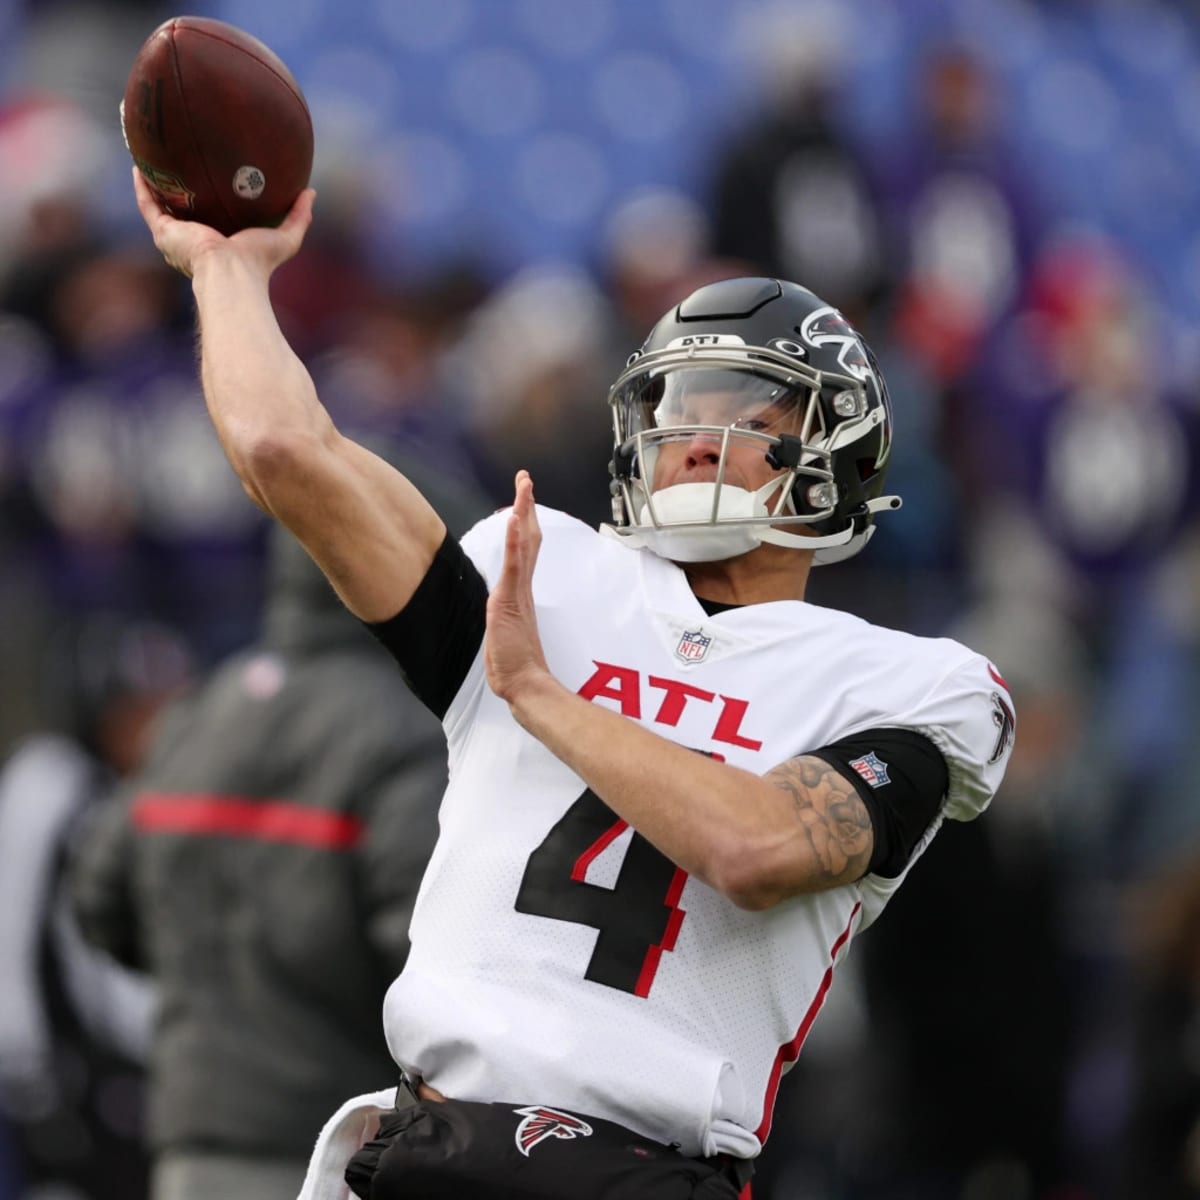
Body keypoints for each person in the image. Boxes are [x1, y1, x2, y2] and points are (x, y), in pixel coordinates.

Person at [129, 170, 1015, 1200]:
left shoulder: (905, 685)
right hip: (435, 1145)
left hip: (640, 1168)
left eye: (740, 406)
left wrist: (544, 698)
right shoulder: (546, 571)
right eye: (676, 406)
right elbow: (289, 449)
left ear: (837, 448)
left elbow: (759, 847)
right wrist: (222, 269)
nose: (692, 436)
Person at [68, 453, 486, 1200]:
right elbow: (436, 968)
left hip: (190, 1149)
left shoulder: (199, 712)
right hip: (336, 1157)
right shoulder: (405, 732)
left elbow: (98, 904)